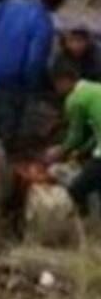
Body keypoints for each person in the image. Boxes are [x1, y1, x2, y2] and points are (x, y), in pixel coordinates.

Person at [0, 0, 70, 150]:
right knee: (4, 135)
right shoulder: (43, 24)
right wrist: (30, 88)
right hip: (11, 83)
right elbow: (34, 62)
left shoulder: (12, 3)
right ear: (60, 3)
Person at [45, 57, 101, 217]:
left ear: (64, 81)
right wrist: (82, 150)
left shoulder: (75, 99)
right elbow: (95, 133)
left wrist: (60, 150)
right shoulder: (94, 88)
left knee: (76, 189)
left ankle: (81, 221)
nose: (56, 89)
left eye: (56, 84)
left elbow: (75, 135)